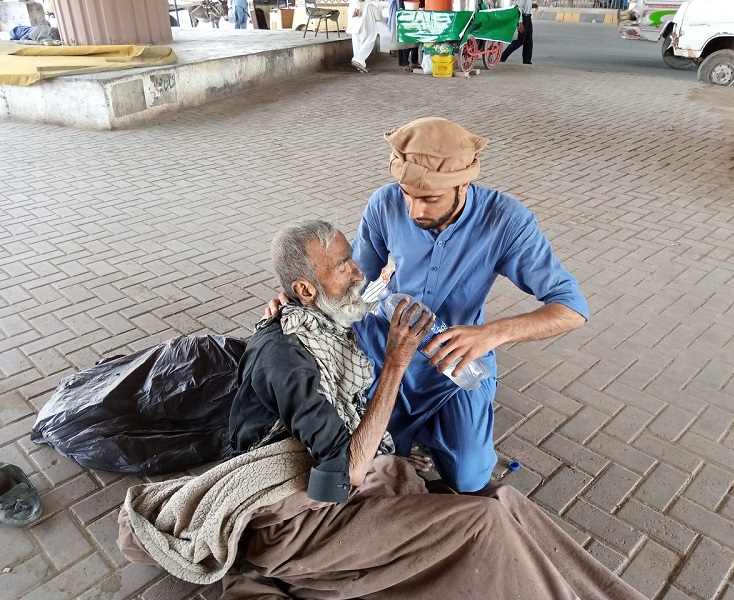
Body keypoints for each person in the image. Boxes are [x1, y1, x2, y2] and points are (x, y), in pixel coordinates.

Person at [118, 220, 645, 600]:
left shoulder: (321, 318)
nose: (359, 271)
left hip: (338, 478)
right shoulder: (286, 355)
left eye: (352, 257)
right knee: (482, 522)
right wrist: (395, 361)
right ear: (306, 288)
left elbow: (329, 311)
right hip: (293, 520)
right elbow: (339, 477)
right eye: (344, 265)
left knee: (502, 502)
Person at [350, 117, 589, 493]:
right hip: (385, 348)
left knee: (468, 476)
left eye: (429, 198)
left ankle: (427, 433)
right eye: (406, 193)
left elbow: (572, 309)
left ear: (463, 184)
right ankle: (406, 436)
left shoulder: (505, 220)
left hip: (454, 360)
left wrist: (491, 335)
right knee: (354, 451)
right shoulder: (384, 203)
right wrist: (301, 298)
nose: (413, 211)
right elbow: (354, 281)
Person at [346, 0, 381, 72]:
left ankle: (360, 65)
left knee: (357, 37)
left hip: (355, 5)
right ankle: (358, 59)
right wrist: (358, 7)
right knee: (371, 35)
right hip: (364, 7)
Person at [500, 0, 538, 64]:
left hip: (528, 17)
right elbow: (518, 8)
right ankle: (503, 56)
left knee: (528, 40)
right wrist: (520, 22)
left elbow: (525, 6)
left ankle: (527, 60)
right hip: (523, 18)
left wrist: (532, 5)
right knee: (520, 40)